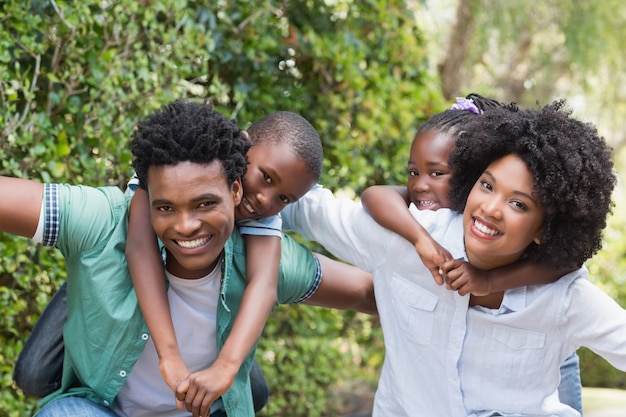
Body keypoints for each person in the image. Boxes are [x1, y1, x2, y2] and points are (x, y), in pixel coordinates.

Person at [2, 100, 373, 417]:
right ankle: (88, 284)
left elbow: (354, 290)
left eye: (206, 204)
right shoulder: (123, 207)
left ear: (234, 187)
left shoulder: (263, 233)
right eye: (165, 206)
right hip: (102, 399)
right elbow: (138, 246)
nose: (265, 201)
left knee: (246, 371)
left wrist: (229, 366)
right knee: (39, 371)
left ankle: (236, 368)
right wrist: (169, 356)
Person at [282, 100, 623, 416]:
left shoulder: (564, 297)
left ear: (544, 230)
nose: (490, 209)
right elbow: (301, 206)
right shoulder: (407, 237)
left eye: (518, 204)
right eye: (487, 186)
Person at [360, 94, 583, 413]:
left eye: (438, 173)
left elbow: (566, 261)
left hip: (546, 348)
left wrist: (490, 280)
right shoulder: (430, 217)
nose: (421, 186)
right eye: (414, 172)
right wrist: (420, 238)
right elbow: (377, 194)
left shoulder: (500, 217)